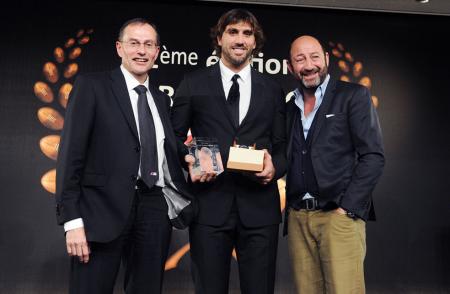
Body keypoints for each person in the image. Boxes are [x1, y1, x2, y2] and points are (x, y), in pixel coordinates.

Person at [55, 18, 193, 294]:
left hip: (154, 209)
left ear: (157, 52)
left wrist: (193, 159)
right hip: (100, 212)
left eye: (148, 44)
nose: (141, 51)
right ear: (120, 48)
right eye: (134, 43)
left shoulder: (161, 99)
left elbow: (168, 152)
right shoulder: (91, 87)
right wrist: (72, 221)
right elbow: (70, 157)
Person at [171, 9, 286, 294]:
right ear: (220, 38)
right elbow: (172, 138)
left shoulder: (272, 89)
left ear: (255, 42)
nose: (240, 39)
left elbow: (284, 148)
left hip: (260, 211)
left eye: (247, 33)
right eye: (233, 32)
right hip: (209, 208)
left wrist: (275, 169)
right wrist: (188, 162)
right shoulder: (192, 83)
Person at [285, 35, 385, 293]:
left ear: (326, 59)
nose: (309, 65)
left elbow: (373, 157)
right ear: (290, 67)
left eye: (315, 56)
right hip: (298, 219)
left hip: (338, 218)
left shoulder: (353, 95)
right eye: (300, 59)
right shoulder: (288, 108)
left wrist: (346, 209)